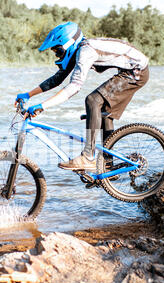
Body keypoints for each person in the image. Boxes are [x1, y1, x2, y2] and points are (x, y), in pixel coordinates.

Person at [15, 21, 149, 171]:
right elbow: (57, 79)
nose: (57, 55)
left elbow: (74, 87)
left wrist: (43, 106)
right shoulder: (78, 50)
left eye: (57, 51)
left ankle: (88, 157)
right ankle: (109, 166)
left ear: (68, 44)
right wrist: (28, 94)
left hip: (137, 72)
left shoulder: (86, 51)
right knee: (103, 111)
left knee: (93, 100)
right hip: (130, 70)